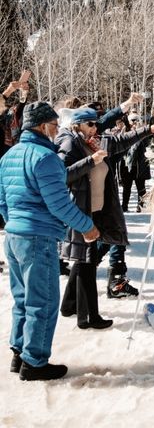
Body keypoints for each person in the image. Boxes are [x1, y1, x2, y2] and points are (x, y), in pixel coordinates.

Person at [0, 101, 99, 381]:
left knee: (22, 298)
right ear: (43, 126)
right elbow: (58, 205)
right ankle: (35, 362)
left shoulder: (9, 156)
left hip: (15, 236)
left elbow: (2, 201)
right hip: (38, 237)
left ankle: (19, 352)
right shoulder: (45, 158)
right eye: (55, 126)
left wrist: (15, 223)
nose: (57, 131)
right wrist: (87, 227)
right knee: (42, 301)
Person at [56, 108, 154, 328]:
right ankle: (88, 317)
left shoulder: (94, 142)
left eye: (96, 124)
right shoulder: (70, 144)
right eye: (90, 124)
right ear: (76, 125)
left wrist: (148, 129)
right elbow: (62, 175)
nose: (95, 128)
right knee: (87, 261)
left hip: (97, 209)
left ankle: (69, 305)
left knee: (84, 260)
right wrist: (91, 161)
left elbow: (122, 141)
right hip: (81, 210)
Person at [120, 114, 151, 213]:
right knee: (126, 188)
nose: (135, 122)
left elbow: (147, 144)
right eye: (133, 120)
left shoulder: (143, 132)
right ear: (128, 121)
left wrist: (140, 131)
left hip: (139, 165)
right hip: (126, 165)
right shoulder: (124, 132)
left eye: (137, 120)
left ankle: (141, 206)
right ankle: (124, 206)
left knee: (141, 187)